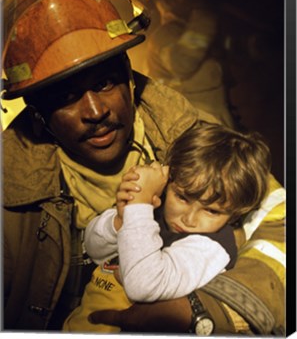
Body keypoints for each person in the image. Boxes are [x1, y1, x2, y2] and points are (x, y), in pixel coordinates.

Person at [2, 0, 285, 335]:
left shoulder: (191, 137)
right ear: (38, 114)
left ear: (130, 78)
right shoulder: (9, 187)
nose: (94, 111)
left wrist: (205, 309)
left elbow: (282, 220)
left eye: (103, 83)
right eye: (65, 97)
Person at [63, 123, 271, 333]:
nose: (189, 219)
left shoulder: (209, 249)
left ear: (235, 214)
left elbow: (143, 286)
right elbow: (94, 249)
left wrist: (139, 205)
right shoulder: (151, 211)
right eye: (182, 197)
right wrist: (120, 219)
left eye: (211, 211)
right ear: (167, 181)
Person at [144, 0, 235, 128]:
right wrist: (203, 14)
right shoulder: (165, 35)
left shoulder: (193, 30)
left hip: (216, 129)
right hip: (198, 134)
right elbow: (182, 62)